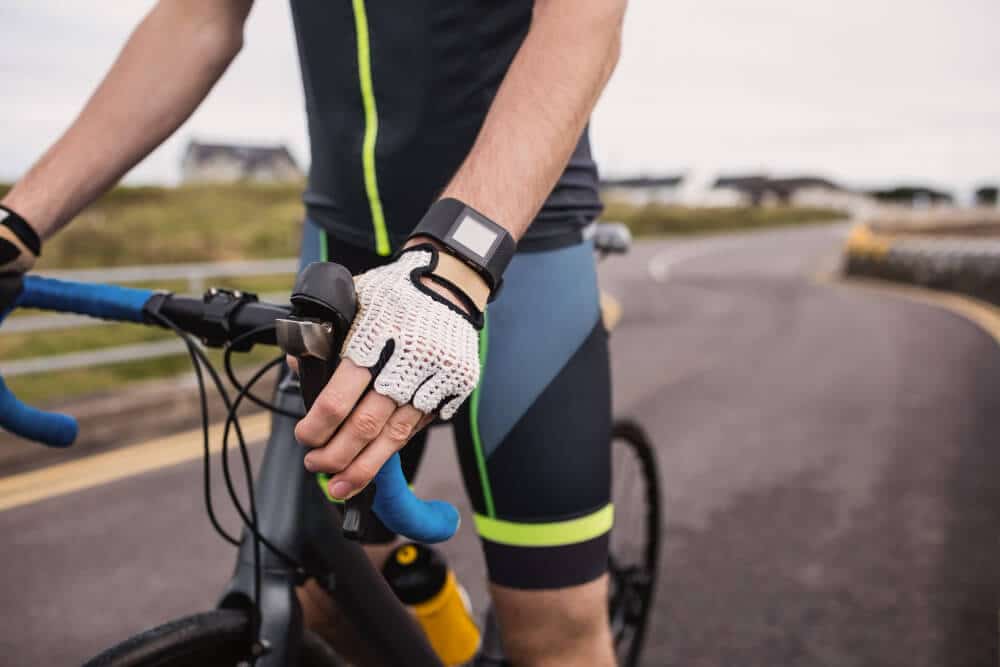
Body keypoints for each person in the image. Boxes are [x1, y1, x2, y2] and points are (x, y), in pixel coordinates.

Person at [1, 1, 627, 664]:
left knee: (552, 630)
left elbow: (585, 25)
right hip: (340, 253)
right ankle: (433, 607)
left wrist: (458, 262)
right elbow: (196, 19)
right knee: (317, 597)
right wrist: (14, 223)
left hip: (513, 252)